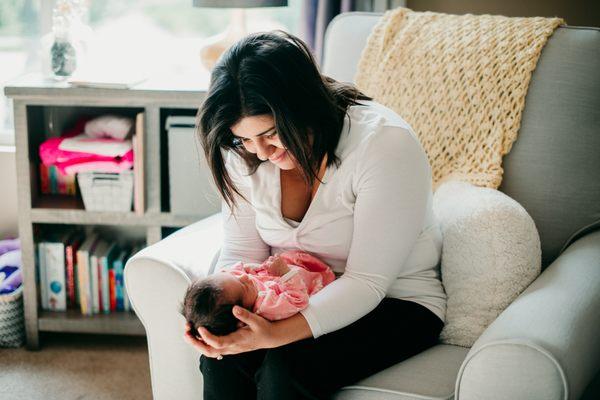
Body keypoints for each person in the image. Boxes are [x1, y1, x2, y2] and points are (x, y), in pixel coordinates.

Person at [183, 30, 447, 399]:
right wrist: (220, 318)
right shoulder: (245, 154)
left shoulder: (384, 146)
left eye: (272, 133)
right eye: (245, 139)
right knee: (221, 358)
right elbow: (242, 258)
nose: (260, 153)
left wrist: (275, 334)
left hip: (395, 300)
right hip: (288, 295)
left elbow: (367, 282)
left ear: (302, 104)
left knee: (287, 367)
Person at [180, 250, 336, 338]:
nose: (244, 276)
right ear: (243, 315)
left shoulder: (232, 285)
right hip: (312, 282)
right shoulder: (267, 306)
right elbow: (298, 300)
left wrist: (250, 270)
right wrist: (284, 274)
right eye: (243, 285)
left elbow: (239, 269)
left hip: (291, 262)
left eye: (234, 276)